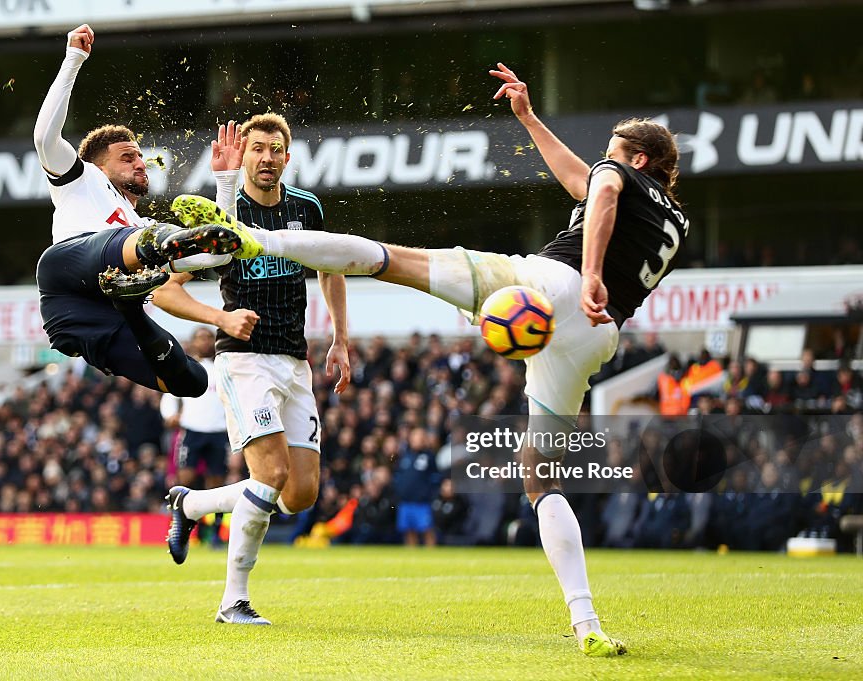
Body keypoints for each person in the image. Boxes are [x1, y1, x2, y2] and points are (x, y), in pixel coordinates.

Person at [167, 63, 689, 655]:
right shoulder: (673, 215)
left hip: (557, 288)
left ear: (638, 159)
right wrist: (528, 118)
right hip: (596, 337)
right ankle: (587, 623)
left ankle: (262, 239)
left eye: (615, 152)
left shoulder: (620, 179)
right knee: (541, 480)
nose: (605, 159)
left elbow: (601, 189)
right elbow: (582, 183)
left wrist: (590, 271)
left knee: (393, 260)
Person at [161, 113, 351, 626]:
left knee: (300, 494)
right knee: (267, 477)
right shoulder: (221, 213)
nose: (267, 157)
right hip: (243, 360)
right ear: (242, 157)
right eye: (258, 149)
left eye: (275, 149)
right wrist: (219, 316)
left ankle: (194, 505)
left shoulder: (306, 208)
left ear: (287, 157)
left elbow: (332, 267)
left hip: (295, 361)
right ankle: (232, 602)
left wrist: (340, 337)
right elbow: (165, 288)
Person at [33, 24, 256, 398]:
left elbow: (215, 256)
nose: (140, 163)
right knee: (152, 238)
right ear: (99, 166)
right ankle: (150, 267)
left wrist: (227, 180)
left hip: (99, 314)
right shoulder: (81, 179)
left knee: (192, 382)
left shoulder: (141, 222)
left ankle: (130, 305)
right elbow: (44, 138)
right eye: (127, 157)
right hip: (67, 279)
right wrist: (73, 58)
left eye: (140, 157)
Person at [159, 327, 230, 543]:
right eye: (201, 338)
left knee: (217, 482)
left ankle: (215, 533)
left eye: (209, 337)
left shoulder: (224, 367)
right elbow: (170, 394)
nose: (205, 342)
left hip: (219, 430)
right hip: (192, 430)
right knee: (186, 479)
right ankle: (184, 528)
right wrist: (170, 415)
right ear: (193, 342)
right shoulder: (185, 366)